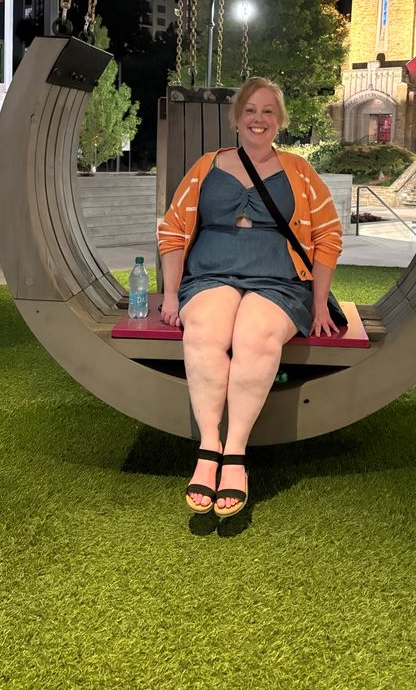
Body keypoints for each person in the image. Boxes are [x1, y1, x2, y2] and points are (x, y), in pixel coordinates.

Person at [157, 77, 343, 518]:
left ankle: (235, 453)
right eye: (250, 111)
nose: (258, 119)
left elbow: (327, 237)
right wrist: (169, 295)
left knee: (255, 336)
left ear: (279, 120)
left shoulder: (300, 172)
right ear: (236, 117)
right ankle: (209, 447)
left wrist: (319, 305)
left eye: (268, 112)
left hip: (279, 280)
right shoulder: (207, 165)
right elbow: (173, 229)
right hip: (211, 273)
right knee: (205, 331)